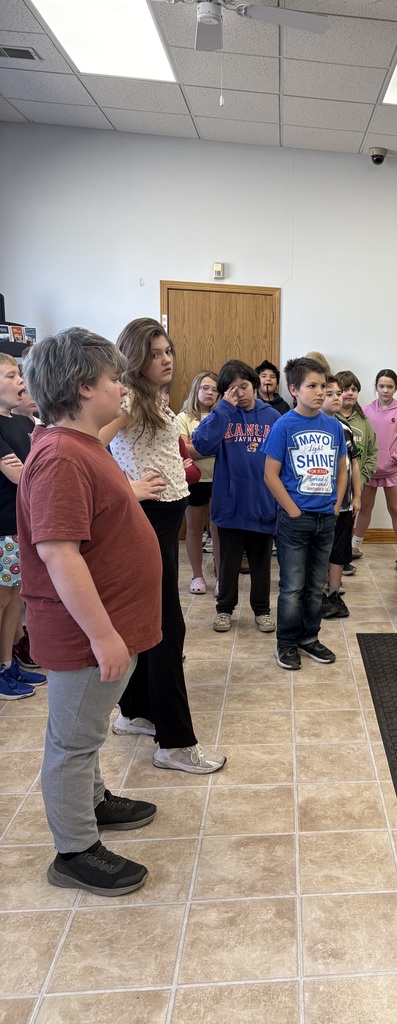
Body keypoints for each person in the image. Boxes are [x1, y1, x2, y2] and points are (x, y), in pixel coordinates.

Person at [18, 328, 163, 895]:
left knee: (87, 731)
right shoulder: (58, 458)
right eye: (113, 379)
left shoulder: (82, 443)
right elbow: (60, 556)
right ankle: (74, 850)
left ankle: (94, 800)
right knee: (72, 741)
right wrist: (104, 637)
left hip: (107, 626)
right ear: (83, 387)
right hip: (85, 635)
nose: (122, 387)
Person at [102, 317, 226, 775]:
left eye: (168, 350)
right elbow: (88, 447)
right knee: (166, 629)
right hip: (148, 521)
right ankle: (174, 744)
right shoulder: (130, 399)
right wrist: (126, 486)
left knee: (151, 624)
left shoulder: (152, 399)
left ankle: (135, 713)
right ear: (136, 357)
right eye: (154, 353)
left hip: (163, 519)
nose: (166, 359)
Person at [262, 357, 347, 671]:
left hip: (326, 518)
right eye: (312, 386)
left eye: (323, 385)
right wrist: (293, 511)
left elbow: (341, 467)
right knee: (293, 586)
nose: (320, 392)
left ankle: (309, 637)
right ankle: (286, 643)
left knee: (315, 586)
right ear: (294, 389)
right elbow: (270, 474)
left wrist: (337, 503)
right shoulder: (284, 425)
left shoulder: (333, 425)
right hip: (296, 520)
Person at [192, 359, 280, 634]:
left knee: (261, 563)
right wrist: (223, 409)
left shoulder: (272, 418)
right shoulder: (222, 415)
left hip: (262, 503)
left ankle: (262, 610)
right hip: (230, 503)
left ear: (254, 386)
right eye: (232, 389)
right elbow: (201, 444)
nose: (240, 393)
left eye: (244, 387)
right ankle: (224, 609)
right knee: (227, 562)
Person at [0, 354, 48, 700]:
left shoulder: (20, 423)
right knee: (2, 599)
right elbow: (20, 475)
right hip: (2, 528)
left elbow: (29, 469)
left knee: (15, 600)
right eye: (11, 375)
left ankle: (7, 661)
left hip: (20, 523)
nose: (20, 381)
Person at [353, 369, 397, 570]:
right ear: (376, 387)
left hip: (391, 471)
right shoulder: (366, 411)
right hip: (369, 470)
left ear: (396, 388)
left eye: (389, 386)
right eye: (381, 386)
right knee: (364, 508)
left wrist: (394, 459)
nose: (385, 390)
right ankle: (354, 547)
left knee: (396, 510)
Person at [320, 375, 360, 619]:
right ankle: (317, 594)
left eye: (338, 393)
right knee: (320, 550)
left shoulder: (345, 429)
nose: (337, 398)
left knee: (338, 550)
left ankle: (334, 591)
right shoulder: (311, 425)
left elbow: (354, 464)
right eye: (330, 394)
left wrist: (356, 497)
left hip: (343, 504)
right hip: (319, 503)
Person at [176, 371, 220, 595]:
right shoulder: (183, 418)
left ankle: (221, 577)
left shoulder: (222, 416)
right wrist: (212, 448)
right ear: (196, 389)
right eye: (205, 388)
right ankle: (197, 576)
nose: (210, 392)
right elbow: (184, 450)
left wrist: (197, 448)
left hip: (219, 479)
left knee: (218, 529)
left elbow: (197, 449)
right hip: (195, 481)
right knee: (194, 529)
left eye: (214, 389)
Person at [337, 370, 378, 563]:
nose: (350, 393)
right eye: (345, 389)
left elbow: (372, 452)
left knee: (347, 526)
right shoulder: (331, 418)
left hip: (355, 486)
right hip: (334, 487)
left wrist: (361, 478)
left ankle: (343, 563)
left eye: (354, 389)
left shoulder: (364, 421)